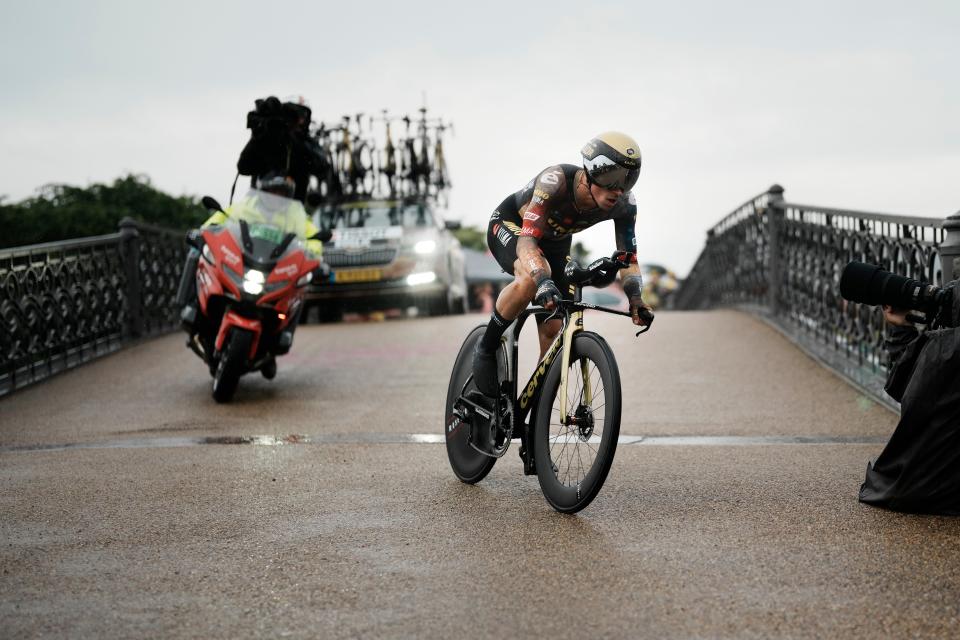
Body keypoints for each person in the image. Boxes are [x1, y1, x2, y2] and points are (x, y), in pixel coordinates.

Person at [472, 132, 653, 396]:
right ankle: (485, 348)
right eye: (612, 178)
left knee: (555, 330)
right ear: (592, 170)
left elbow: (629, 259)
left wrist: (636, 298)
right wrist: (542, 281)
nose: (618, 189)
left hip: (556, 243)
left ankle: (534, 410)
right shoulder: (554, 181)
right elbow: (527, 243)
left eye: (628, 179)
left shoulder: (625, 204)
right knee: (529, 280)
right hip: (515, 226)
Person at [176, 172, 325, 377]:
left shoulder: (298, 219)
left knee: (299, 289)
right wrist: (203, 232)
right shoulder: (245, 208)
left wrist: (316, 261)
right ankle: (191, 305)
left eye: (281, 193)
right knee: (200, 255)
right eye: (272, 192)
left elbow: (313, 241)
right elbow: (220, 219)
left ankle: (279, 338)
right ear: (262, 193)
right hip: (242, 264)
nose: (276, 196)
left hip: (274, 272)